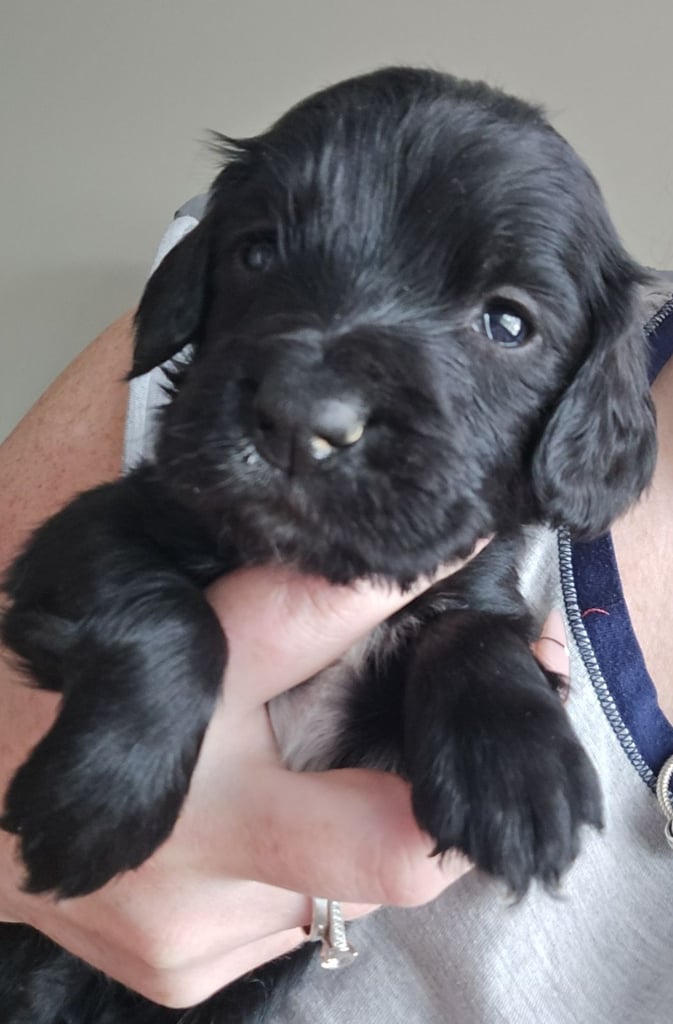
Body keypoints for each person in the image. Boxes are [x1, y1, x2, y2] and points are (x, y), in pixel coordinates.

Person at [1, 201, 672, 1023]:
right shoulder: (223, 370)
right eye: (263, 255)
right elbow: (77, 562)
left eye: (501, 321)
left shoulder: (571, 375)